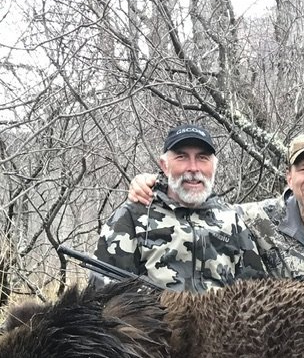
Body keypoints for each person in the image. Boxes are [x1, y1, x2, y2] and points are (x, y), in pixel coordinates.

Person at [128, 133, 304, 294]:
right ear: (289, 177)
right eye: (302, 169)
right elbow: (201, 209)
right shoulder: (256, 218)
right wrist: (157, 184)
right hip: (280, 351)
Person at [96, 124, 271, 291]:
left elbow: (256, 294)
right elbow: (103, 291)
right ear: (164, 165)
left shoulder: (232, 220)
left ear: (214, 166)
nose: (193, 168)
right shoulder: (133, 217)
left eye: (202, 158)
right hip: (154, 320)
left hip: (223, 320)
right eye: (182, 157)